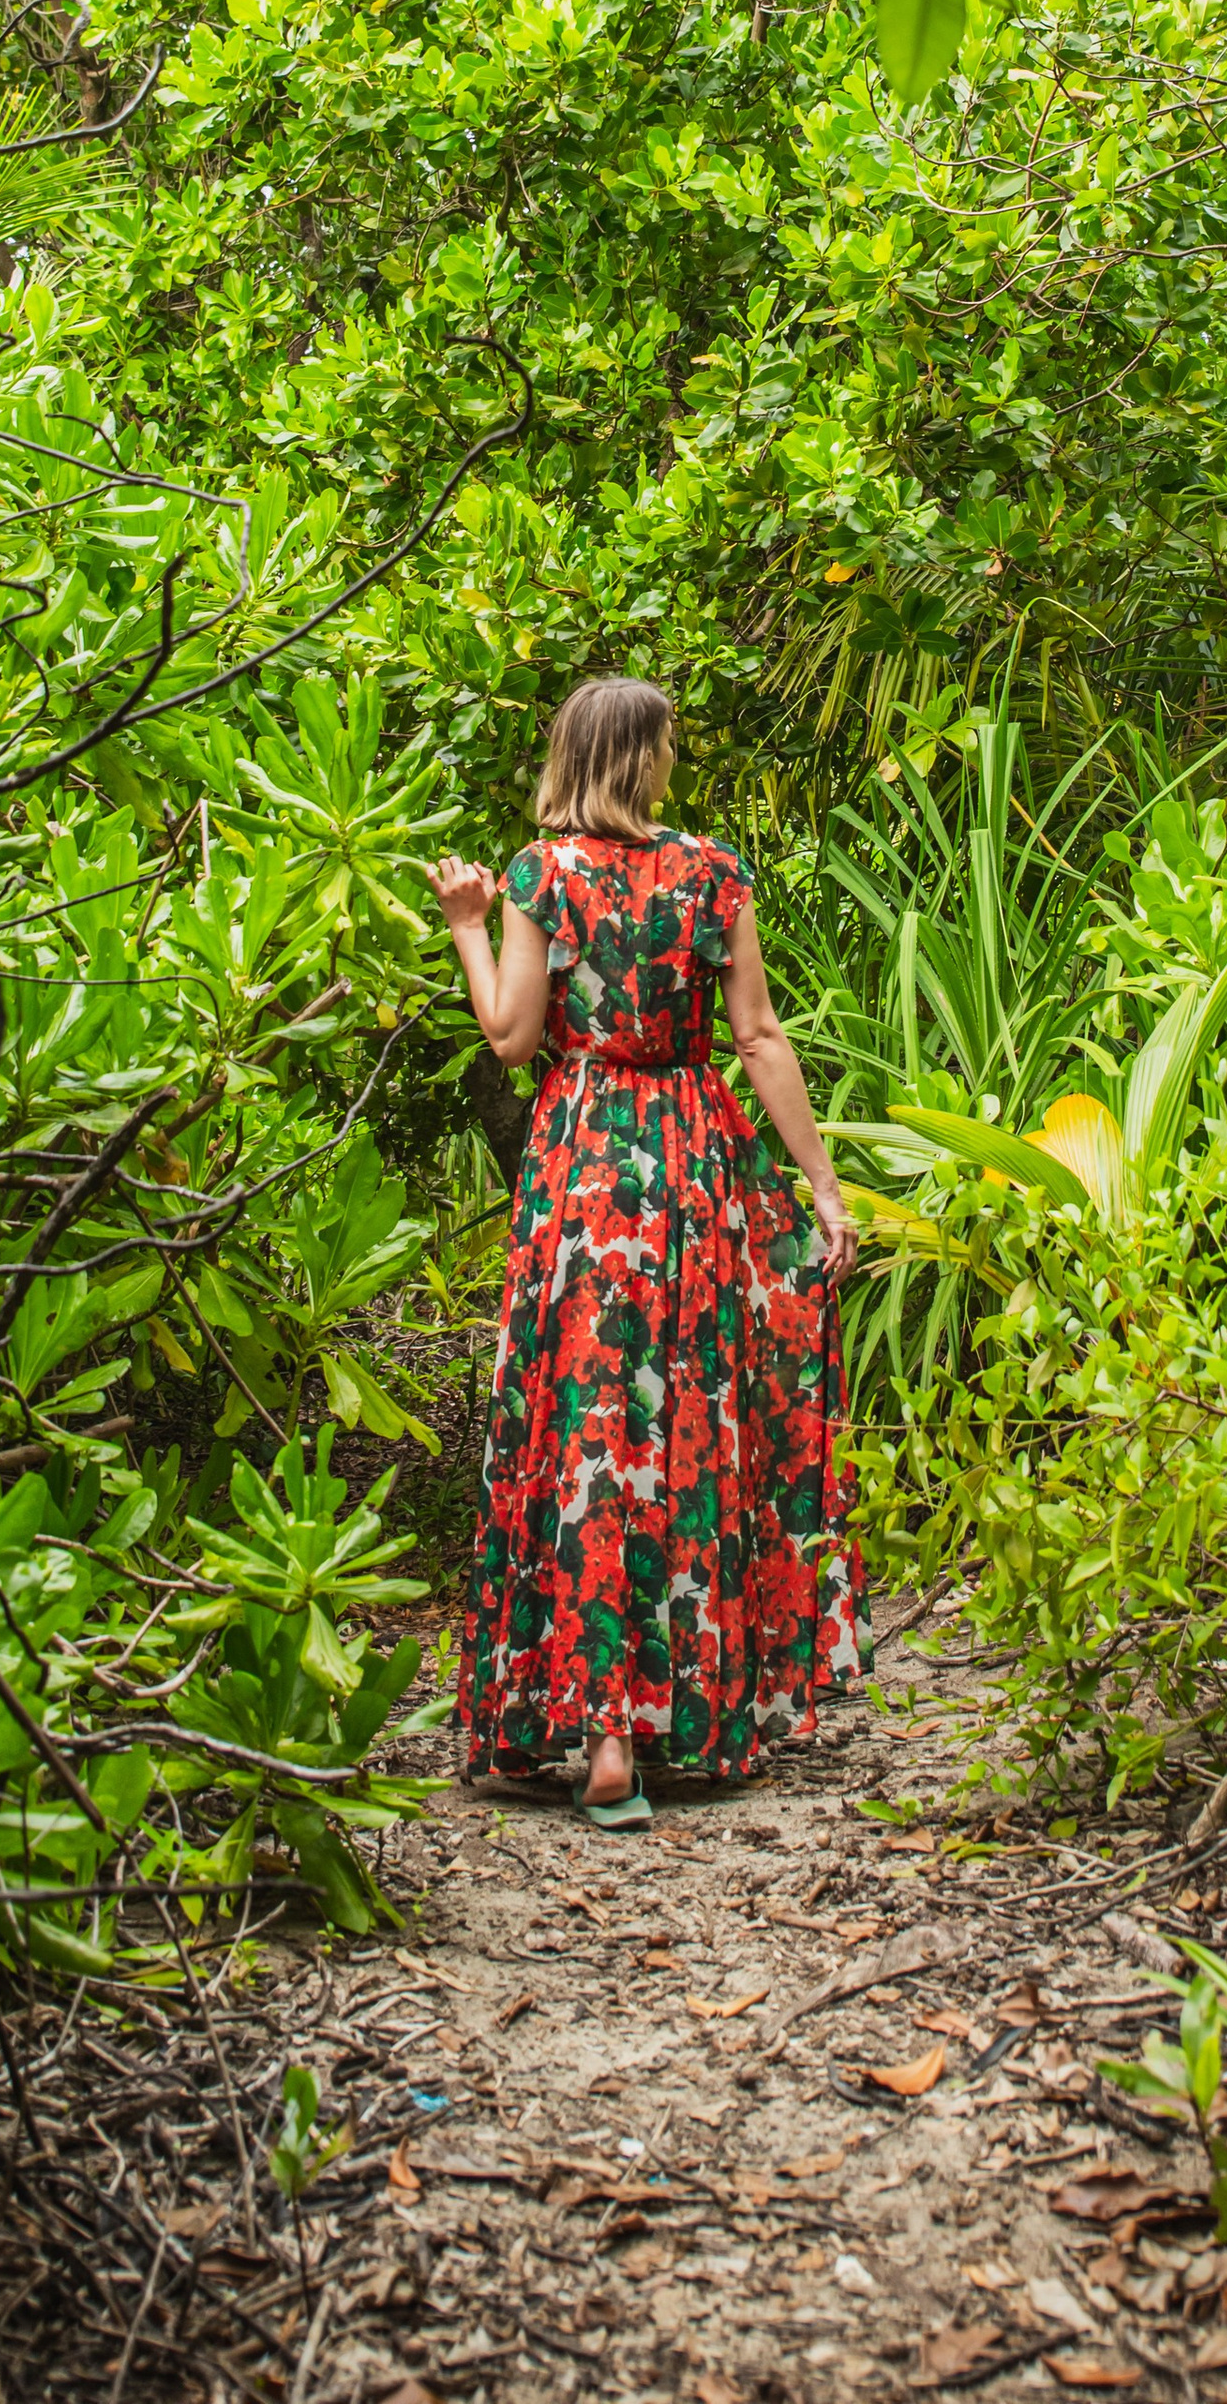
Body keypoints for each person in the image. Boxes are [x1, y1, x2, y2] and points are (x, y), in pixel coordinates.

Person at [429, 676, 869, 1828]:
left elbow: (510, 1037)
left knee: (582, 1425)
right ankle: (679, 1713)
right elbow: (757, 1038)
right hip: (689, 1160)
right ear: (642, 758)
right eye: (667, 744)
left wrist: (467, 924)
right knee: (679, 1424)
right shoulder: (713, 874)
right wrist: (821, 1189)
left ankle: (598, 1734)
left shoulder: (540, 875)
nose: (673, 759)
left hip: (580, 1166)